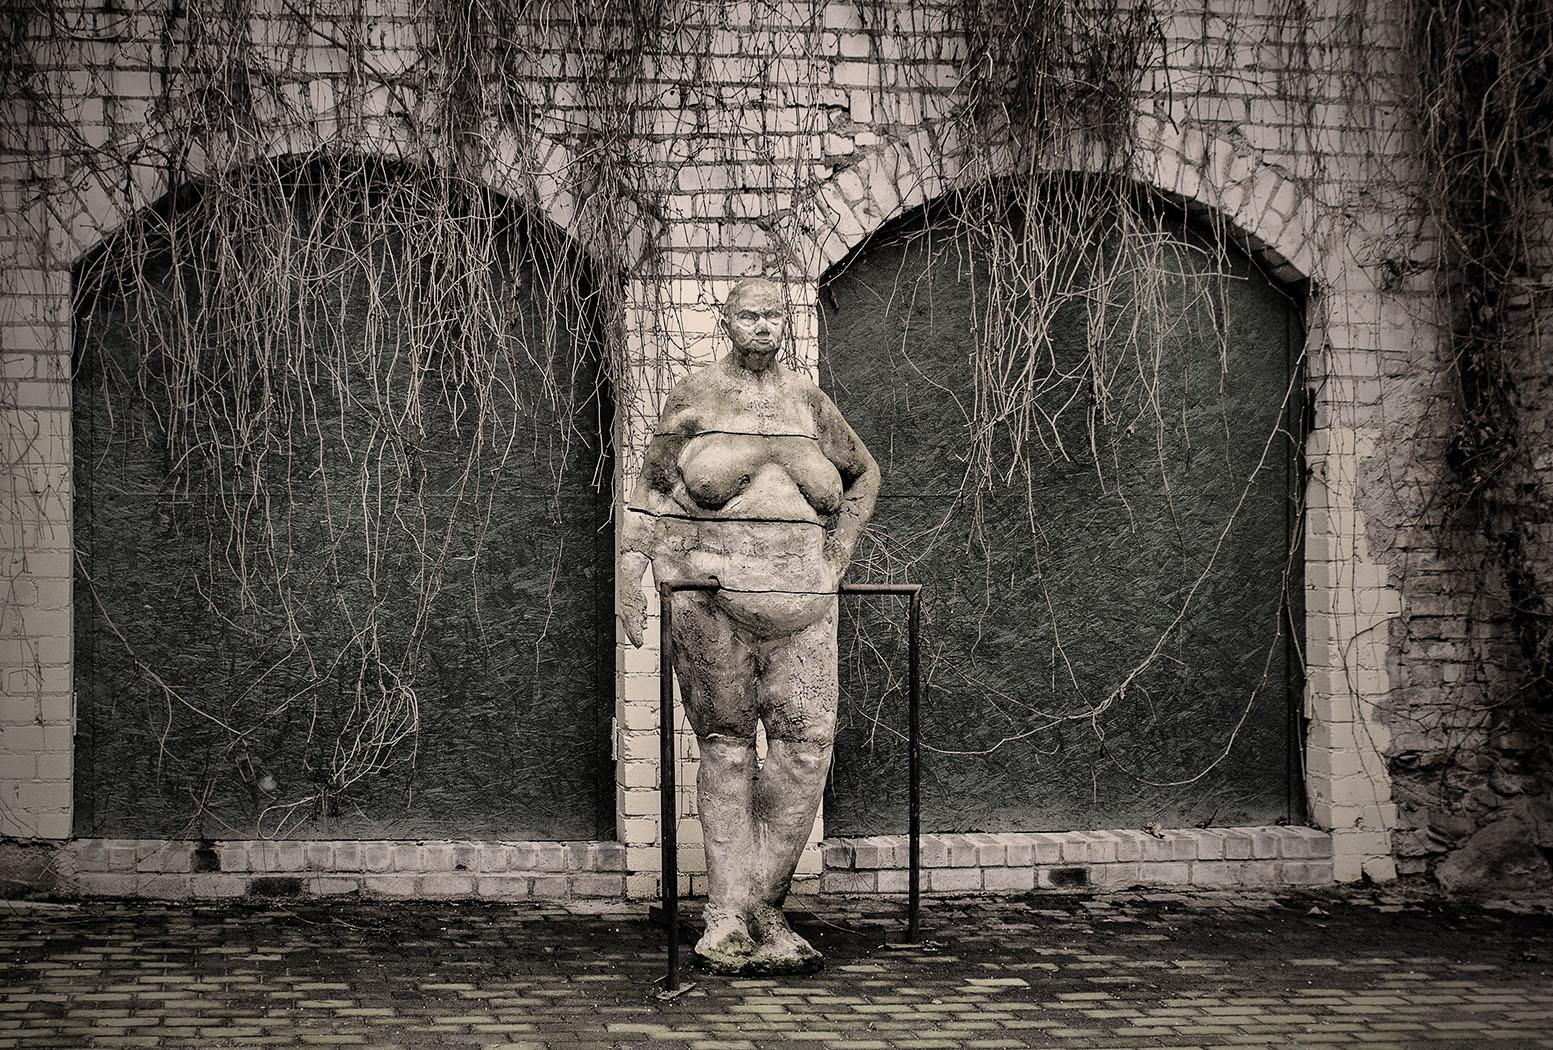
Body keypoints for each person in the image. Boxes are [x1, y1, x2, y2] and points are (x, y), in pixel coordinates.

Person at [618, 276, 879, 974]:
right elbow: (648, 488)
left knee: (807, 747)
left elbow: (862, 476)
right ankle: (727, 913)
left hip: (803, 600)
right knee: (727, 748)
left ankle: (765, 904)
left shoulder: (808, 402)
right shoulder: (696, 396)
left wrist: (837, 556)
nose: (763, 327)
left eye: (773, 316)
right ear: (726, 321)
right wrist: (632, 573)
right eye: (749, 316)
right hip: (711, 595)